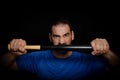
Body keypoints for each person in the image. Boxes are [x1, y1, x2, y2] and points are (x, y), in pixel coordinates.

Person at [0, 19, 120, 80]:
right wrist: (12, 54)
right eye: (56, 36)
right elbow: (5, 66)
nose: (61, 42)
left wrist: (107, 52)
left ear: (72, 35)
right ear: (50, 37)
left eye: (66, 35)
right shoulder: (37, 58)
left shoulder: (86, 61)